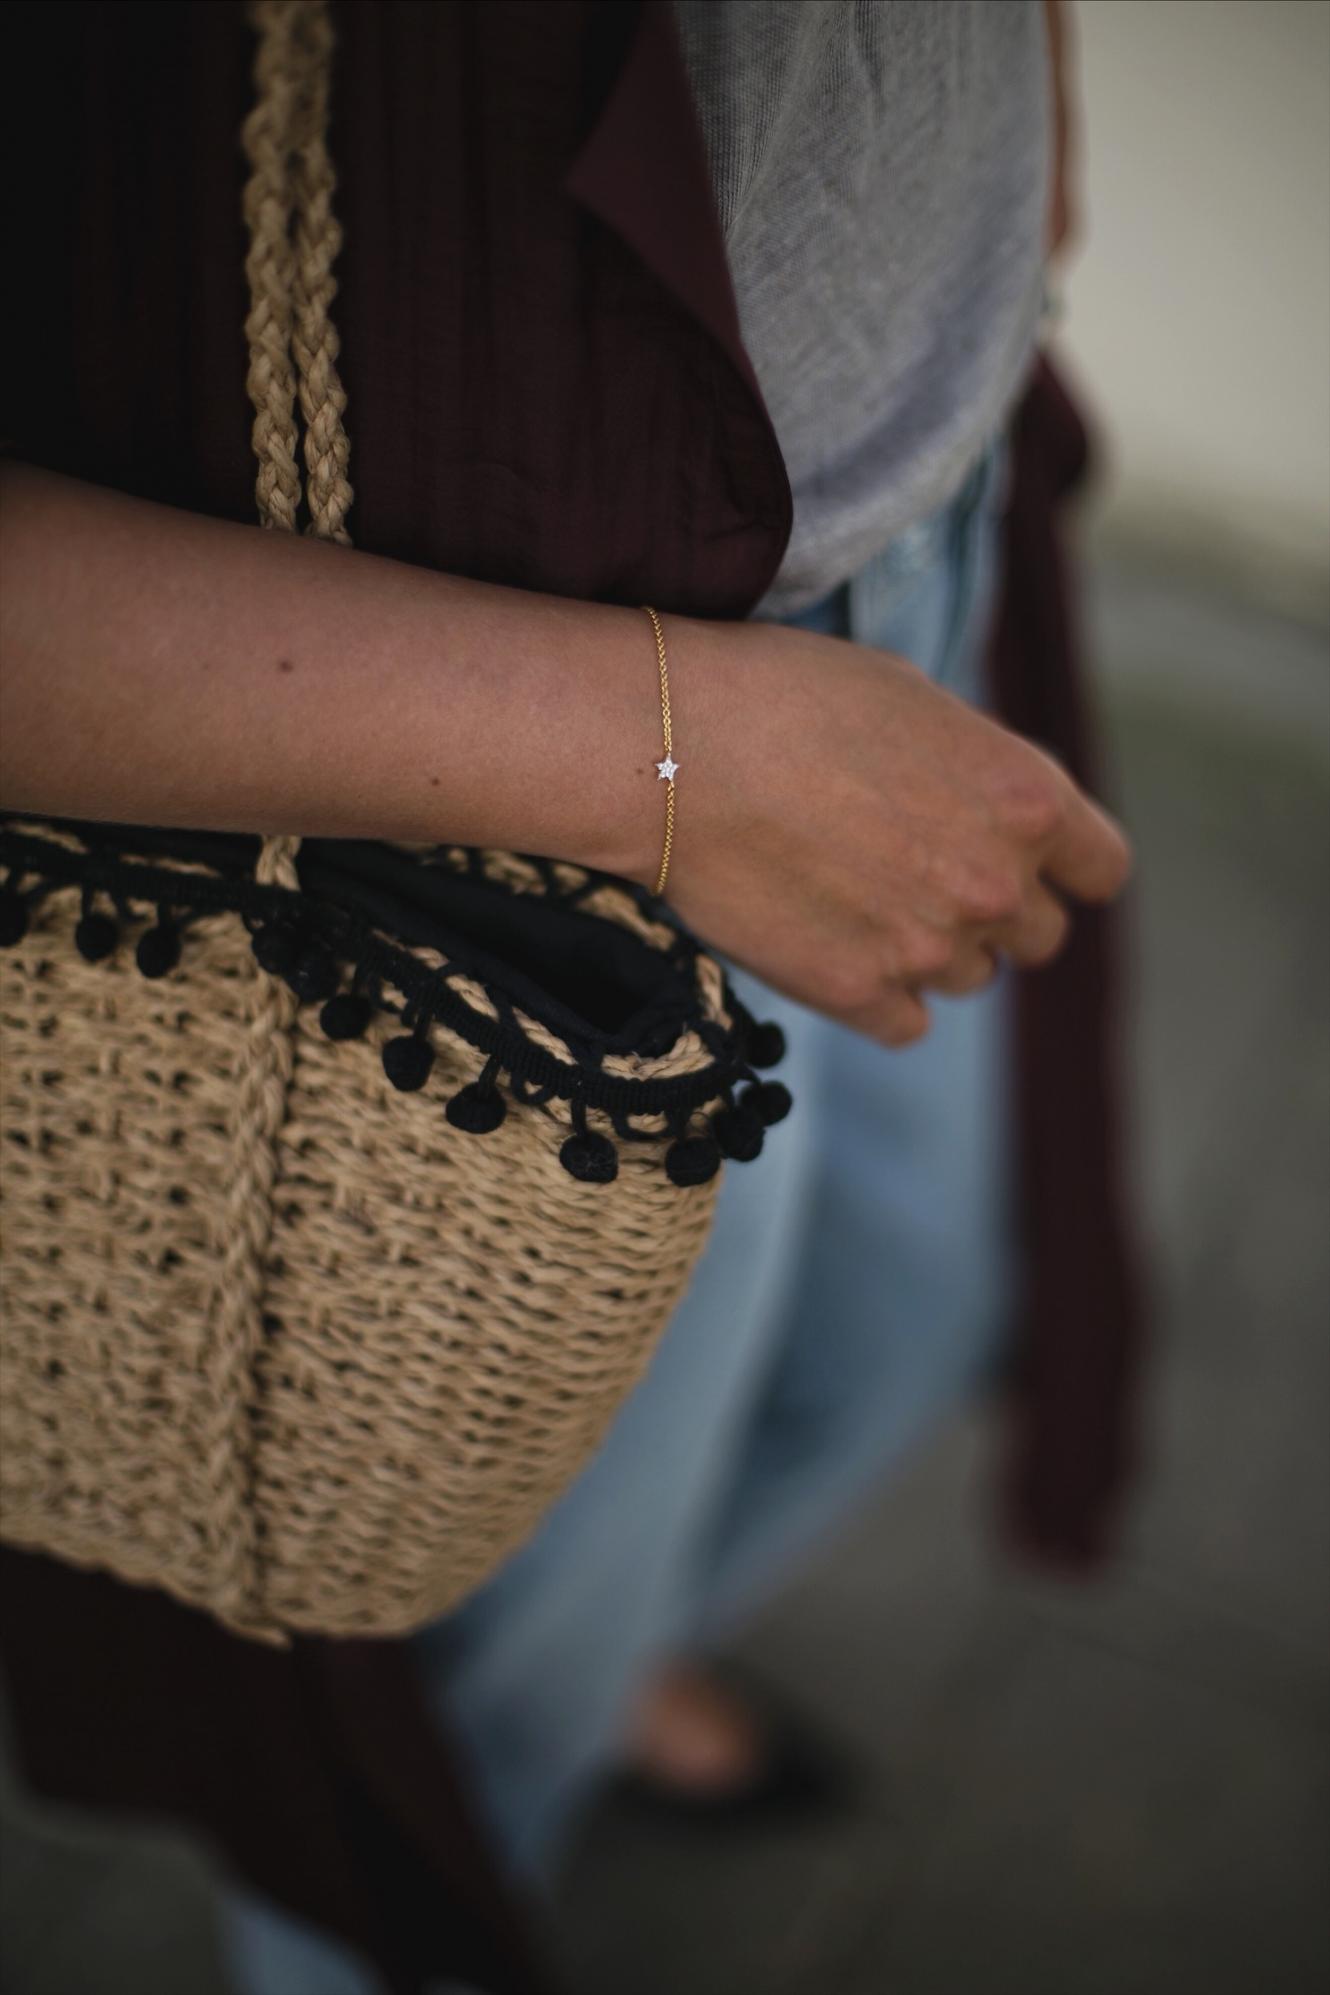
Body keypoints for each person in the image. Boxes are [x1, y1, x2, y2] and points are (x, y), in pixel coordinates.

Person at [0, 0, 1127, 1946]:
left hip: (906, 549)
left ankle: (600, 1654)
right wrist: (669, 761)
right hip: (521, 790)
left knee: (904, 1314)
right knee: (423, 1683)